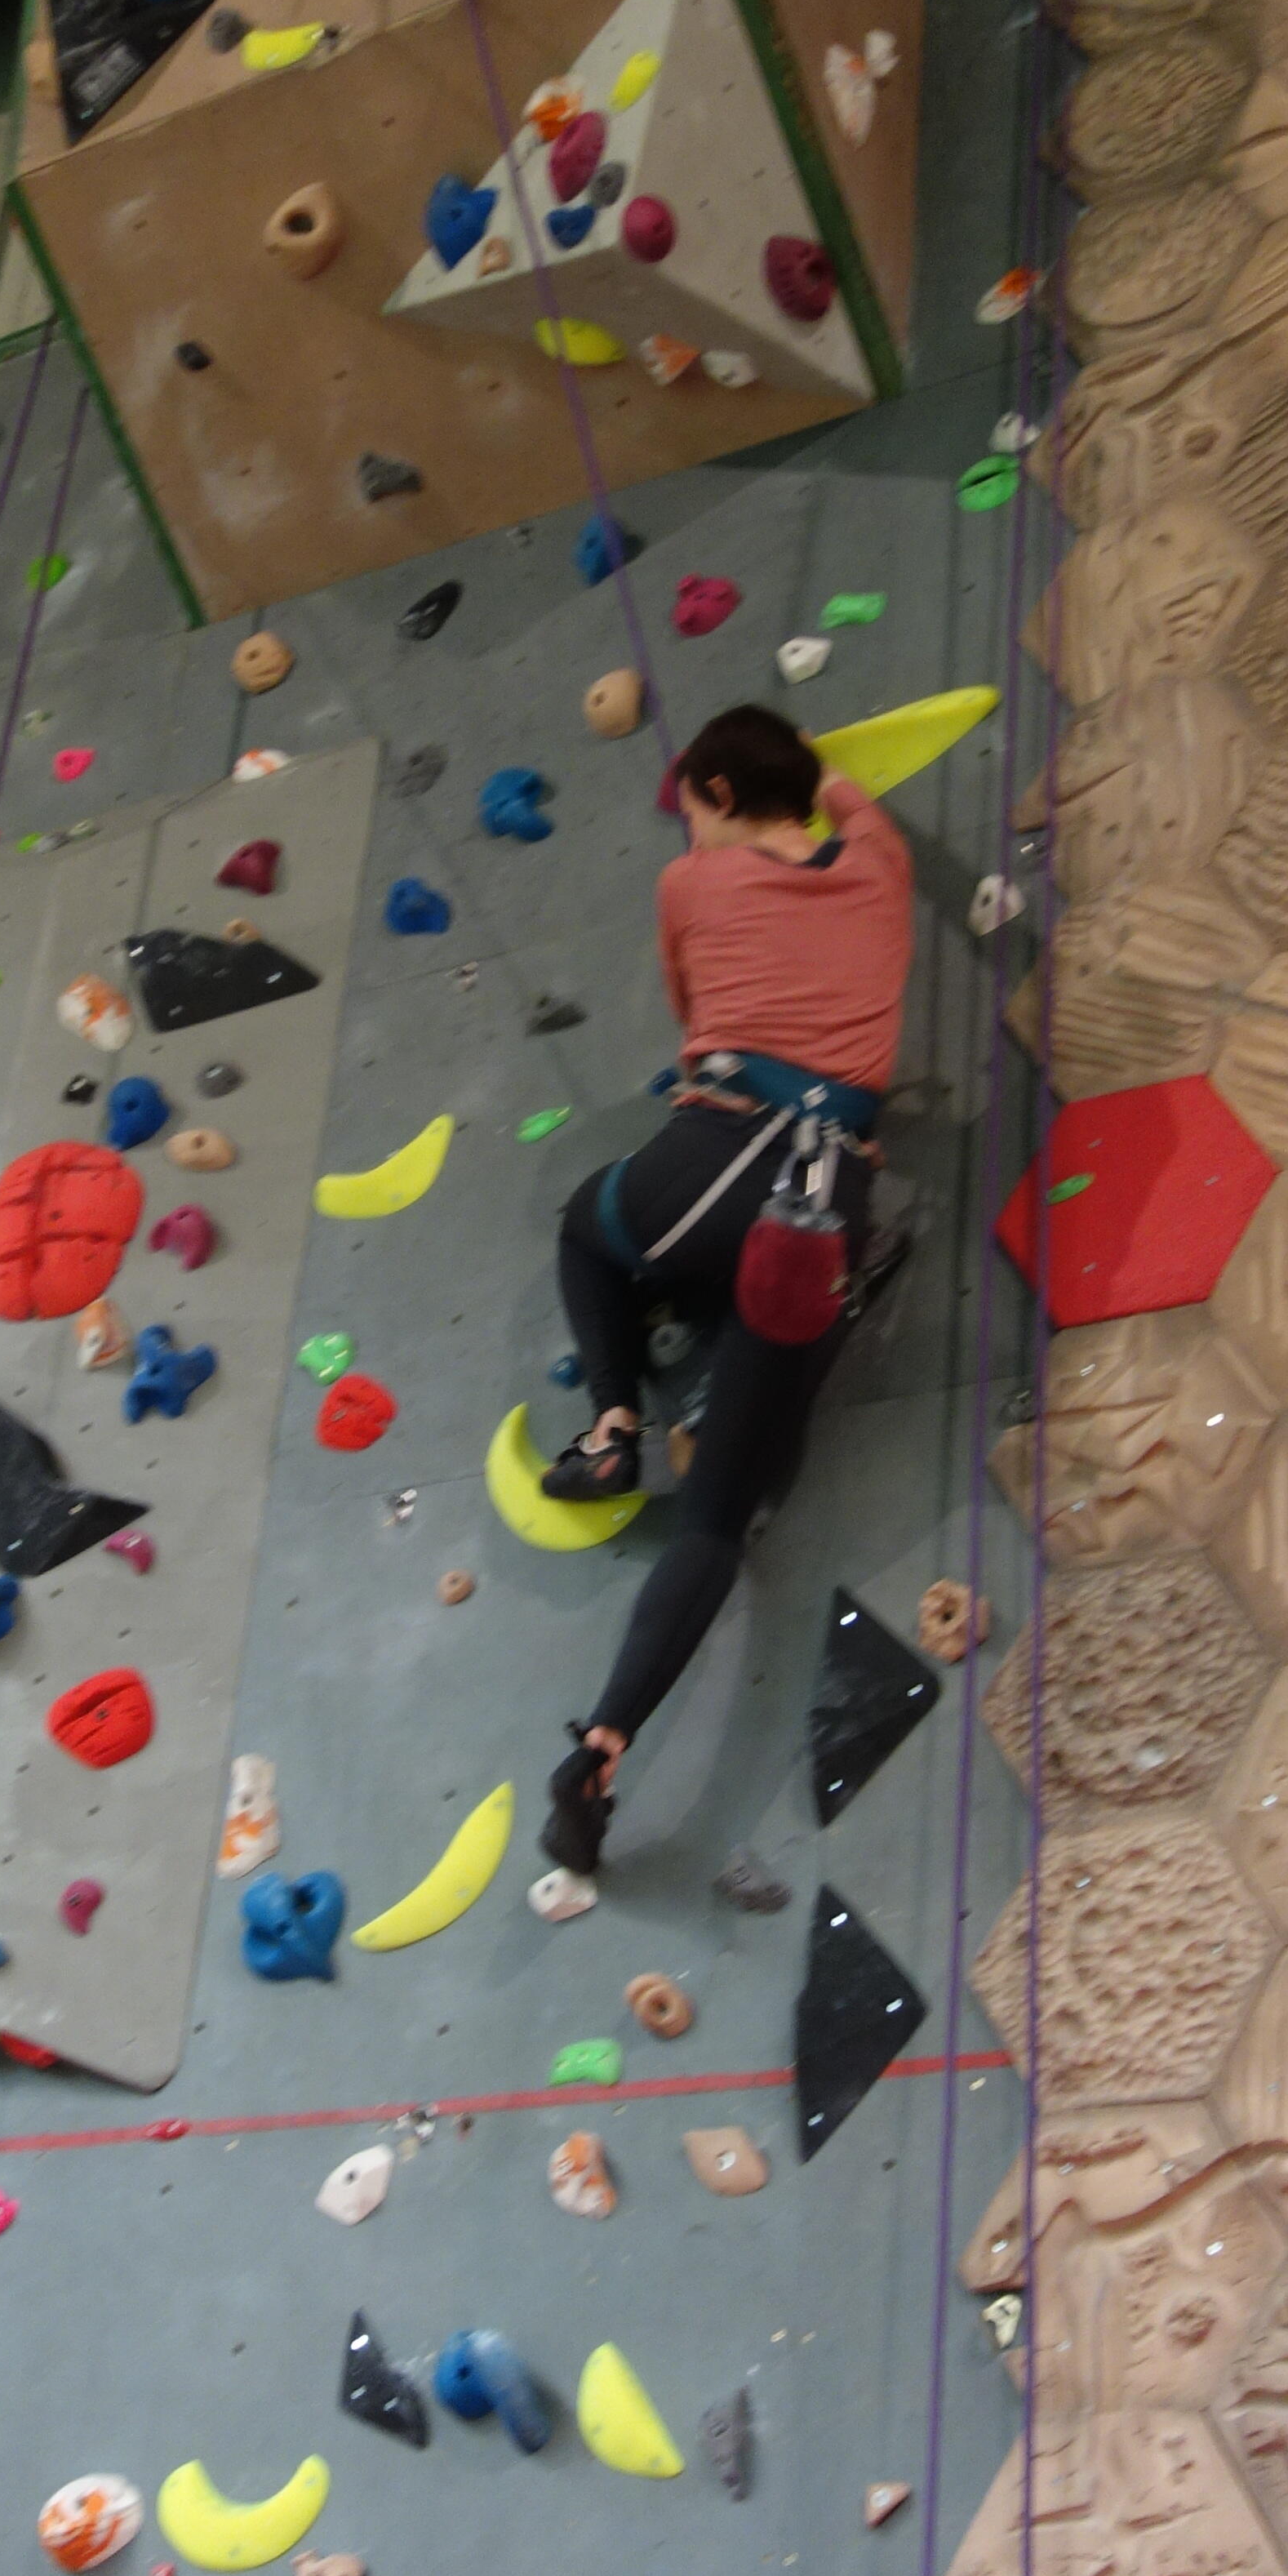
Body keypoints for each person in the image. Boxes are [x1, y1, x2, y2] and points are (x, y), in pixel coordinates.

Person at [538, 702, 915, 1878]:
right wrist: (817, 777)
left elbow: (690, 1013)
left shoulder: (691, 884)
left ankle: (612, 1429)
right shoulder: (882, 864)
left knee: (587, 1229)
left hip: (708, 1172)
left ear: (711, 792)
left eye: (690, 802)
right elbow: (849, 795)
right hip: (823, 1210)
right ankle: (601, 1750)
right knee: (715, 1519)